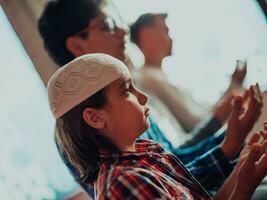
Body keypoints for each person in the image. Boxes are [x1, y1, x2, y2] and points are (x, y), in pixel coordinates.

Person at [38, 0, 261, 196]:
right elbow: (171, 183)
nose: (123, 30)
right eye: (107, 25)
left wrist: (233, 142)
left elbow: (174, 165)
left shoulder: (129, 106)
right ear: (77, 45)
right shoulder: (87, 135)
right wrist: (230, 145)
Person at [47, 53, 266, 199]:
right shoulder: (123, 182)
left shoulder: (147, 151)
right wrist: (247, 182)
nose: (142, 97)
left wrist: (242, 167)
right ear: (96, 118)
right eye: (126, 91)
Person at [130, 13, 247, 132]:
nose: (171, 38)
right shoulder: (150, 78)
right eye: (166, 31)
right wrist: (234, 85)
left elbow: (201, 116)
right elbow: (196, 123)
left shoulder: (157, 76)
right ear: (147, 36)